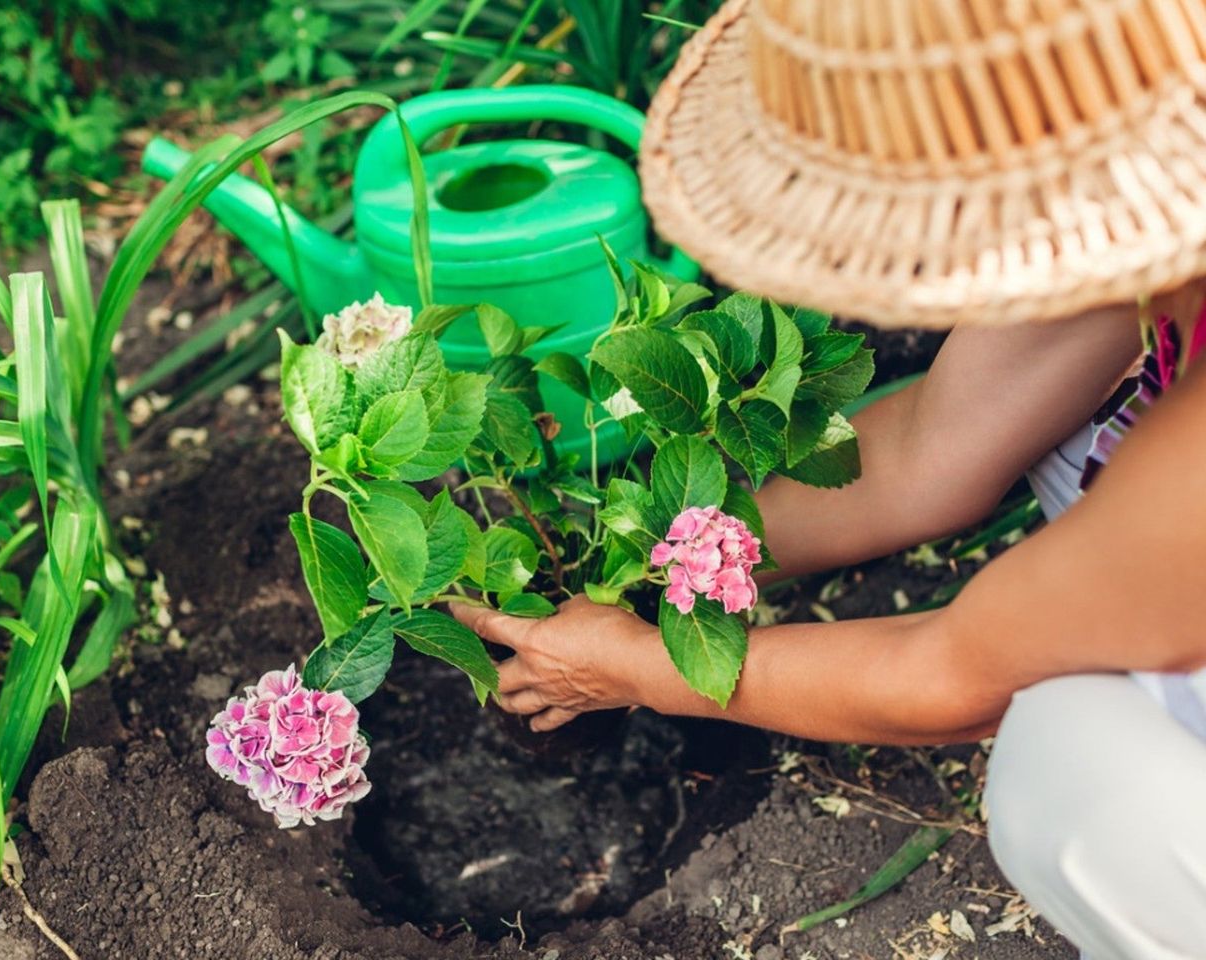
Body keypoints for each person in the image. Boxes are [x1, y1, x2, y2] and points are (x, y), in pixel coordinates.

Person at [451, 2, 1206, 958]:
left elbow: (955, 674)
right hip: (1167, 570)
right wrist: (656, 557)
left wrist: (634, 667)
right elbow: (928, 449)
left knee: (1064, 768)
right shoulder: (1141, 196)